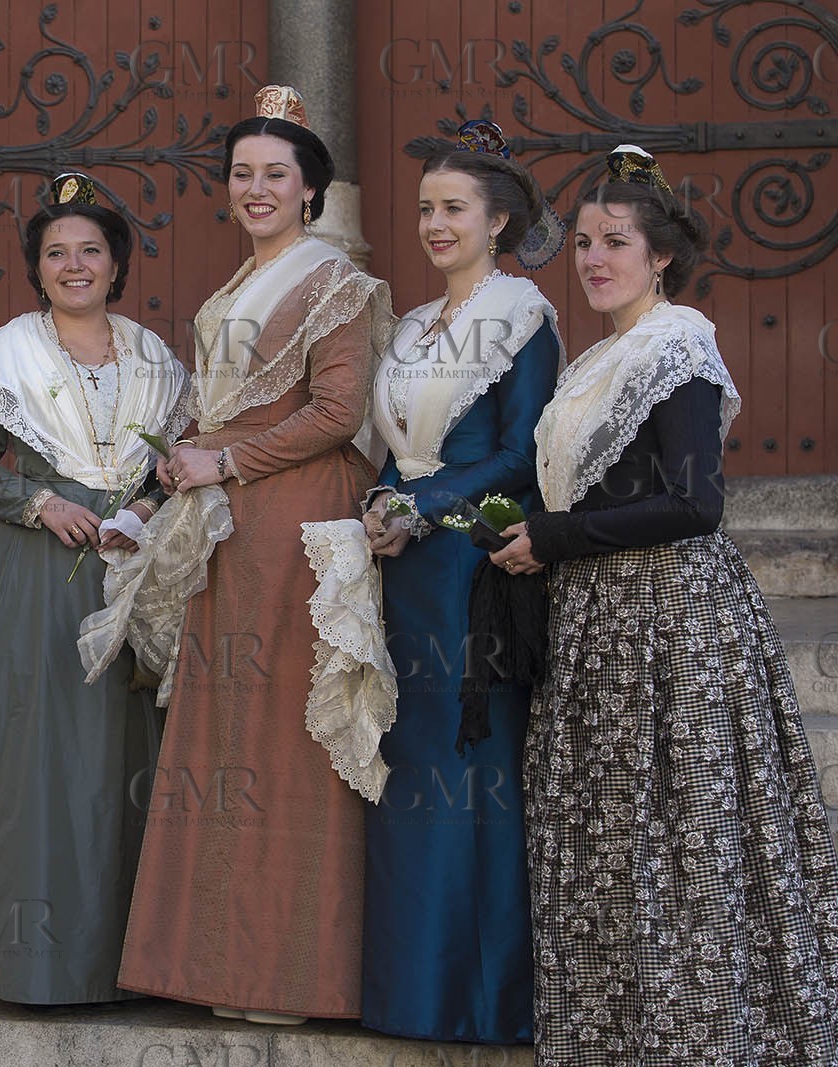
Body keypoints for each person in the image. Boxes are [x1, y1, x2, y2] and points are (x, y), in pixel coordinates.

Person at [490, 145, 838, 1064]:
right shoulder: (603, 358)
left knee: (680, 831)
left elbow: (695, 503)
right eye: (587, 243)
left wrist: (553, 539)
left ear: (661, 258)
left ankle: (703, 1034)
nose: (596, 258)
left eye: (618, 242)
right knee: (609, 832)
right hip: (599, 618)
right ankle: (614, 1032)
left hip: (672, 620)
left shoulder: (676, 348)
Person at [115, 85, 393, 1023]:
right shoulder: (232, 290)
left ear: (311, 189)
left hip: (299, 520)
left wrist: (224, 458)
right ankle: (223, 967)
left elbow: (338, 415)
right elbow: (218, 415)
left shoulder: (338, 284)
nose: (258, 187)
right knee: (228, 734)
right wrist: (165, 478)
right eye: (243, 174)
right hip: (232, 524)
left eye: (278, 173)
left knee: (286, 737)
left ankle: (291, 972)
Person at [0, 173, 189, 1004]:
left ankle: (123, 962)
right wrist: (38, 500)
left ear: (118, 264)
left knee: (119, 752)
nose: (75, 264)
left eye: (91, 250)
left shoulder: (157, 359)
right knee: (36, 754)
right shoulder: (5, 355)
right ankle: (34, 963)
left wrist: (150, 506)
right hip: (35, 567)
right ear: (37, 268)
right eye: (57, 252)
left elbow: (175, 469)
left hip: (127, 564)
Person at [358, 119, 562, 1044]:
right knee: (406, 772)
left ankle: (482, 1002)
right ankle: (410, 996)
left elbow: (524, 453)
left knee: (470, 771)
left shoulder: (524, 316)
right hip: (400, 571)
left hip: (470, 570)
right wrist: (380, 503)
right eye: (426, 209)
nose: (434, 224)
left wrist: (425, 507)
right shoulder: (410, 324)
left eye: (454, 209)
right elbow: (392, 449)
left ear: (499, 220)